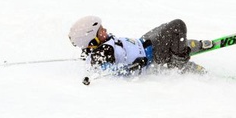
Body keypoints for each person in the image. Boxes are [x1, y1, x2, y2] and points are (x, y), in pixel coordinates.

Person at [68, 16, 210, 76]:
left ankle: (178, 47)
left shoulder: (97, 48)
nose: (105, 30)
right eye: (101, 31)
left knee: (166, 28)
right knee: (177, 25)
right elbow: (112, 72)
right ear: (92, 40)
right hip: (152, 54)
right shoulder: (104, 53)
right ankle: (178, 62)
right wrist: (134, 66)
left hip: (144, 42)